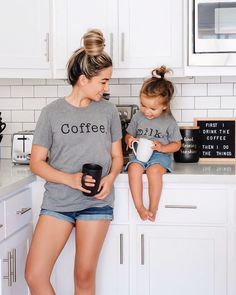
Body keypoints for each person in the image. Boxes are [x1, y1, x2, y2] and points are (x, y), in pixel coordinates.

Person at [25, 29, 123, 295]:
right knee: (35, 275)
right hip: (58, 202)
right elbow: (37, 162)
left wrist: (111, 178)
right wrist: (70, 179)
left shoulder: (108, 111)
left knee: (83, 276)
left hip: (96, 203)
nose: (107, 88)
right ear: (83, 80)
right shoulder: (51, 113)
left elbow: (117, 157)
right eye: (103, 82)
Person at [125, 66, 182, 222]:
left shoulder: (169, 121)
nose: (147, 111)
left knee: (153, 172)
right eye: (143, 105)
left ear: (164, 105)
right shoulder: (138, 116)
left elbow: (177, 144)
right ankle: (139, 207)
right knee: (133, 169)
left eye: (152, 108)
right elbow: (129, 134)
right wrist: (130, 140)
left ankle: (153, 208)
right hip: (140, 154)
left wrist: (162, 148)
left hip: (159, 155)